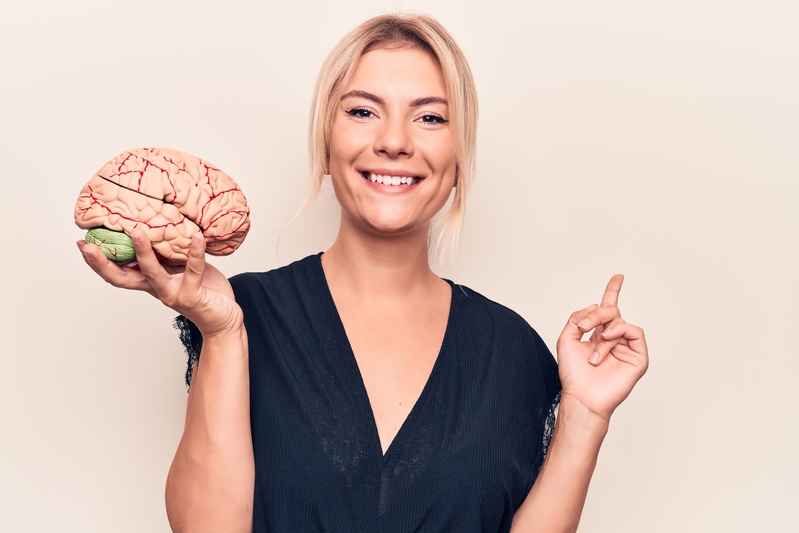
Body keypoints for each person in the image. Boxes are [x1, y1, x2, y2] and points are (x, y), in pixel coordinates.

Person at [77, 13, 648, 533]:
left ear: (458, 158)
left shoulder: (513, 352)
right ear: (326, 145)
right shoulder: (243, 315)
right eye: (362, 111)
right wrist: (223, 332)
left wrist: (585, 415)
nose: (394, 141)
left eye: (429, 117)